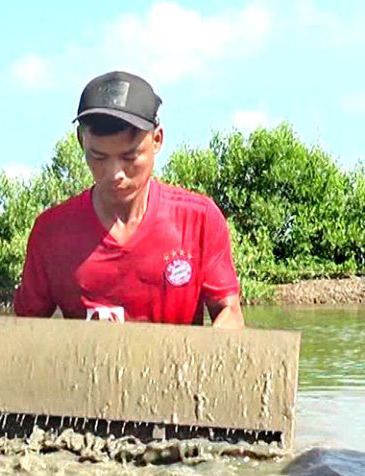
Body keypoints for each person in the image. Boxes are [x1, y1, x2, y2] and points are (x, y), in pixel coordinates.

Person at [13, 71, 244, 328]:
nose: (115, 174)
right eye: (99, 157)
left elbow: (229, 312)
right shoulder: (51, 232)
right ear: (81, 141)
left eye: (130, 157)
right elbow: (25, 331)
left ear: (157, 141)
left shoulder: (199, 220)